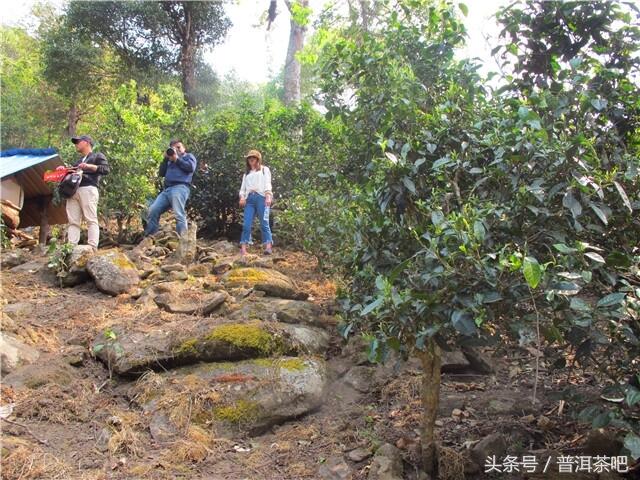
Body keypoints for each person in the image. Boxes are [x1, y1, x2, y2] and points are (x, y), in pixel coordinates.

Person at [57, 135, 109, 250]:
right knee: (73, 220)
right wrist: (64, 170)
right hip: (73, 191)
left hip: (88, 188)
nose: (76, 144)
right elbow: (72, 174)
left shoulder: (97, 156)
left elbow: (105, 169)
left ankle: (92, 246)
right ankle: (71, 246)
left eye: (78, 142)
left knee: (91, 218)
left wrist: (89, 166)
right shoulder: (78, 161)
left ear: (86, 142)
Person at [144, 139, 197, 237]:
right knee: (153, 210)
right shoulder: (169, 161)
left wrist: (177, 159)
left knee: (178, 213)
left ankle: (182, 240)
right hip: (167, 190)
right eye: (174, 148)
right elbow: (161, 173)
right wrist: (165, 159)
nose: (176, 150)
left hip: (180, 187)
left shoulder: (188, 156)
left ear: (184, 148)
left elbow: (191, 168)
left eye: (179, 147)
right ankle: (150, 238)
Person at [239, 149, 273, 256]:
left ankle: (268, 246)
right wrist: (242, 197)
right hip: (249, 200)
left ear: (258, 159)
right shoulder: (246, 174)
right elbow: (242, 189)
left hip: (261, 197)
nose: (251, 160)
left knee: (264, 223)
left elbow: (267, 183)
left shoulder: (264, 169)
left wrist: (268, 196)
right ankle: (243, 249)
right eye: (249, 158)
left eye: (253, 158)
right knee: (246, 224)